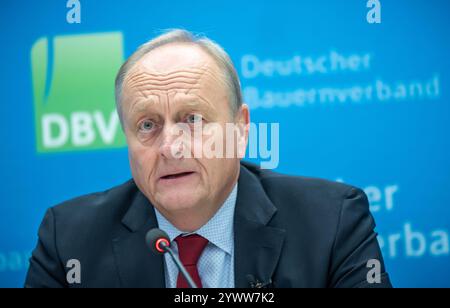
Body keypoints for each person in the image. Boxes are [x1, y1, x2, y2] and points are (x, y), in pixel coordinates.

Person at [25, 29, 391, 288]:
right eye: (148, 124)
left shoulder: (331, 222)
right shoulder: (68, 241)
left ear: (241, 129)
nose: (171, 146)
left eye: (193, 120)